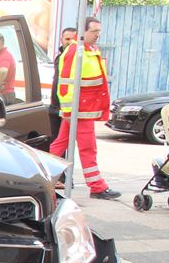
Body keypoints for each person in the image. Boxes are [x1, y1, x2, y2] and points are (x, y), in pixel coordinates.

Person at [51, 17, 120, 199]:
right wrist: (68, 111)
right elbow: (64, 85)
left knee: (60, 144)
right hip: (79, 111)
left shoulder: (87, 50)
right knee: (87, 148)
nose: (98, 35)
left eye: (99, 31)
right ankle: (96, 186)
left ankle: (42, 176)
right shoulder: (76, 52)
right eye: (94, 31)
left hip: (81, 110)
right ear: (83, 32)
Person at [48, 26, 78, 138]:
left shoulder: (78, 60)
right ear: (61, 40)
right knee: (56, 140)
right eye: (67, 39)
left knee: (64, 140)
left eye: (72, 39)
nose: (70, 42)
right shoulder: (60, 57)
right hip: (55, 107)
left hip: (68, 109)